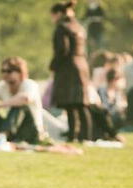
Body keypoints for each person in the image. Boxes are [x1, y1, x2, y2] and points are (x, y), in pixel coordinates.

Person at [0, 56, 46, 143]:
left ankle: (2, 137)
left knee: (20, 107)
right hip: (13, 129)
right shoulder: (2, 86)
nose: (6, 74)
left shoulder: (29, 84)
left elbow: (24, 99)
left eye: (9, 71)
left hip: (31, 130)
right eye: (3, 71)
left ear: (21, 72)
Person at [49, 1, 92, 142]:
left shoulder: (62, 28)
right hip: (82, 65)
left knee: (70, 104)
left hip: (68, 68)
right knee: (81, 103)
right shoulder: (78, 26)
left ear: (59, 14)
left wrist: (53, 65)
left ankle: (74, 135)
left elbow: (62, 50)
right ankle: (85, 136)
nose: (52, 18)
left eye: (53, 15)